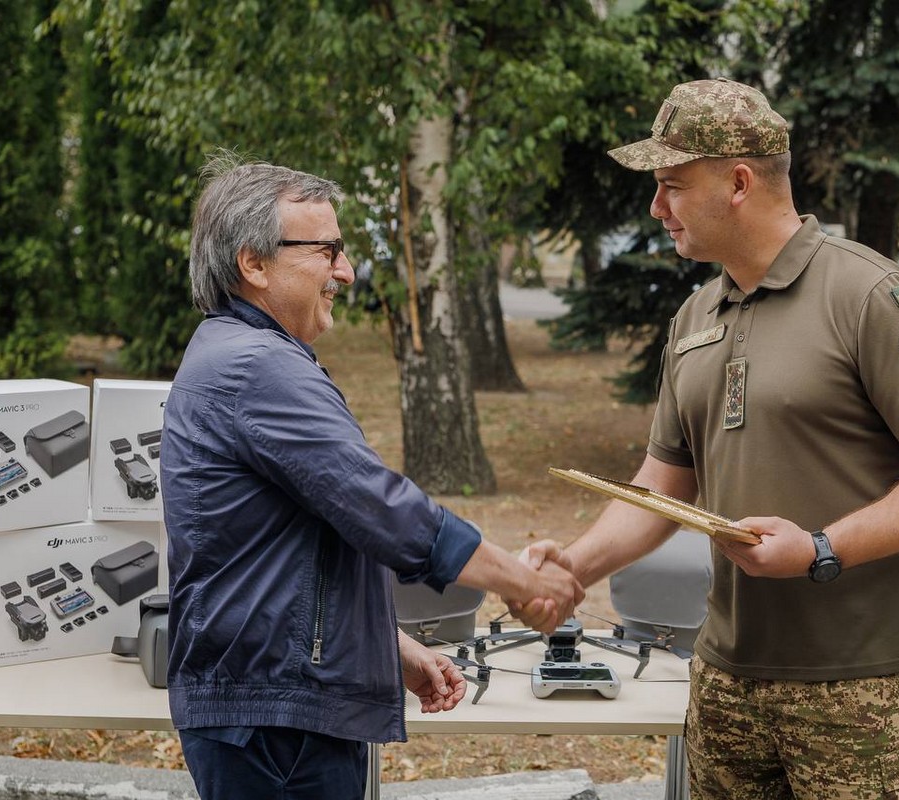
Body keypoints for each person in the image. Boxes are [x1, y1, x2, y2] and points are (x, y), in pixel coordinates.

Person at [518, 78, 899, 799]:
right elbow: (662, 487)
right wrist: (572, 569)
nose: (656, 209)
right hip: (725, 677)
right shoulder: (695, 317)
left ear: (738, 181)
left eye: (672, 185)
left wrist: (821, 551)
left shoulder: (869, 296)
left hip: (860, 685)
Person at [160, 153, 583, 800]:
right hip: (275, 725)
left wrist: (389, 650)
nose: (346, 272)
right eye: (326, 251)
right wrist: (525, 583)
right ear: (253, 262)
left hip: (274, 709)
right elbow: (386, 512)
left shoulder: (242, 356)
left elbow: (292, 552)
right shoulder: (256, 367)